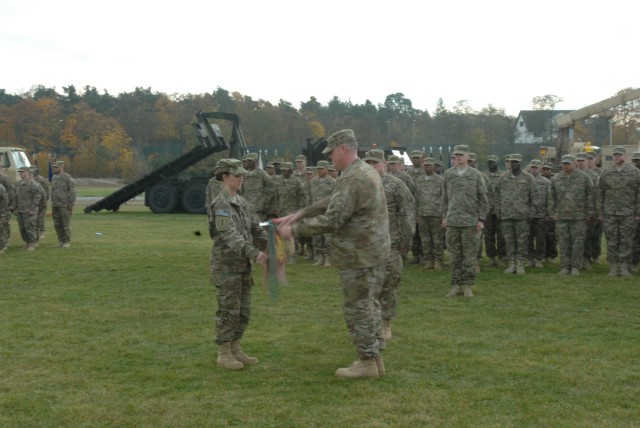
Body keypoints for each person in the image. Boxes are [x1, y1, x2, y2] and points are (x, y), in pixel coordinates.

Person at [274, 129, 390, 378]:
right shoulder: (363, 171)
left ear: (343, 150)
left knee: (358, 308)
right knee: (370, 305)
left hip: (359, 254)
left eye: (332, 153)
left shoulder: (353, 177)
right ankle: (375, 357)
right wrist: (302, 213)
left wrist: (292, 230)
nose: (329, 158)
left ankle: (367, 362)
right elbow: (335, 200)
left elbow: (333, 219)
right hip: (372, 252)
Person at [208, 159, 268, 370]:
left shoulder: (242, 203)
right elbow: (228, 235)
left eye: (242, 175)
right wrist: (254, 253)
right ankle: (224, 352)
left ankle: (236, 347)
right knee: (228, 310)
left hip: (242, 267)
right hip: (226, 268)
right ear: (225, 177)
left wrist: (271, 240)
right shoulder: (221, 204)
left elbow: (255, 228)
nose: (242, 178)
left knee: (243, 310)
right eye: (237, 175)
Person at [363, 149, 413, 343]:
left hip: (391, 244)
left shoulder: (396, 185)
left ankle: (386, 324)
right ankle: (371, 324)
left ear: (383, 163)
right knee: (368, 287)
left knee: (389, 285)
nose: (372, 167)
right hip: (367, 245)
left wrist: (406, 243)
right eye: (368, 163)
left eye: (375, 163)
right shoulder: (363, 184)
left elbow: (407, 215)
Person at [441, 145, 488, 298]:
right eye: (456, 155)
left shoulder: (475, 175)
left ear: (467, 156)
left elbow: (483, 198)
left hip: (470, 222)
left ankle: (467, 286)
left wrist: (481, 219)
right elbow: (444, 198)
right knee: (454, 256)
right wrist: (444, 216)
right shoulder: (448, 174)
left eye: (461, 155)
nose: (458, 158)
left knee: (469, 256)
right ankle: (456, 285)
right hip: (453, 221)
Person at [595, 147, 640, 276]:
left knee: (627, 240)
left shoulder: (635, 172)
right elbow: (599, 193)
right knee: (612, 240)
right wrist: (600, 212)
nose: (617, 157)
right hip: (610, 213)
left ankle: (625, 267)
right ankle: (613, 267)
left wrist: (638, 212)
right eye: (615, 155)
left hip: (628, 212)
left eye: (619, 155)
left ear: (625, 157)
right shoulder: (606, 172)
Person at [547, 155, 595, 275]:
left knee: (577, 243)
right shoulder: (556, 177)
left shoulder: (584, 177)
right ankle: (565, 266)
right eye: (564, 163)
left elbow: (590, 195)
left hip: (578, 216)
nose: (566, 165)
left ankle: (575, 267)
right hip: (561, 216)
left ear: (574, 163)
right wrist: (552, 213)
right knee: (563, 242)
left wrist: (589, 212)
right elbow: (551, 196)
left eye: (568, 163)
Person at [496, 154, 533, 275]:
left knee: (522, 241)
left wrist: (531, 213)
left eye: (516, 162)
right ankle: (511, 263)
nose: (514, 164)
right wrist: (498, 211)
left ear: (520, 163)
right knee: (509, 241)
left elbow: (534, 197)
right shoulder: (503, 178)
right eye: (512, 162)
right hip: (506, 215)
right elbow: (497, 196)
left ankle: (520, 263)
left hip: (522, 215)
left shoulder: (528, 178)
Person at [414, 157, 443, 270]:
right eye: (425, 165)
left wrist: (443, 214)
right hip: (422, 214)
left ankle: (437, 261)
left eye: (429, 165)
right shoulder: (419, 180)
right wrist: (416, 214)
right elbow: (416, 199)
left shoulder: (440, 180)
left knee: (437, 239)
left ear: (434, 167)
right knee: (425, 239)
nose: (427, 167)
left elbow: (444, 197)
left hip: (436, 214)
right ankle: (428, 260)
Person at [309, 160, 336, 266]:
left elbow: (336, 199)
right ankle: (319, 256)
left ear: (327, 169)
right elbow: (310, 197)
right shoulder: (313, 181)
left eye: (321, 168)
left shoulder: (333, 182)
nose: (319, 170)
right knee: (317, 235)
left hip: (327, 213)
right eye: (318, 168)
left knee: (328, 236)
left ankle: (328, 257)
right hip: (316, 213)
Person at [482, 155, 506, 266]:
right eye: (489, 162)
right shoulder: (482, 176)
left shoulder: (504, 176)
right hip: (487, 209)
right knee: (488, 235)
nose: (490, 164)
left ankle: (501, 257)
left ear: (497, 163)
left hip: (500, 209)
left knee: (501, 234)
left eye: (492, 162)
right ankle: (491, 257)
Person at [240, 153, 276, 220]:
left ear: (255, 161)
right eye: (247, 160)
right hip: (246, 207)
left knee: (259, 227)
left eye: (251, 160)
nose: (249, 162)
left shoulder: (262, 173)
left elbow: (271, 188)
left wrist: (266, 203)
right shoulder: (244, 174)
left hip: (259, 208)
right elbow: (241, 191)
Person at [527, 160, 550, 268]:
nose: (533, 169)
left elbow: (549, 199)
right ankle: (530, 258)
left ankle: (539, 259)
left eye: (536, 167)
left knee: (541, 238)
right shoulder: (526, 180)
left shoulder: (546, 182)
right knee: (528, 238)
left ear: (540, 169)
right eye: (532, 167)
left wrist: (548, 213)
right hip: (528, 214)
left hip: (541, 214)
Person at [14, 166, 41, 251]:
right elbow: (16, 197)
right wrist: (15, 208)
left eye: (23, 172)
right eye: (20, 172)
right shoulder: (18, 184)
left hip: (29, 210)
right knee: (22, 228)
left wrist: (33, 209)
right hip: (20, 210)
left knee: (30, 228)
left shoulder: (33, 184)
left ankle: (32, 243)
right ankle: (27, 242)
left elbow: (37, 197)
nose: (21, 173)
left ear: (28, 173)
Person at [50, 161, 76, 248]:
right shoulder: (54, 177)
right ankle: (61, 240)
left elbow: (72, 191)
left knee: (65, 224)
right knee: (57, 224)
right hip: (55, 205)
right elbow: (53, 191)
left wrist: (71, 203)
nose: (54, 169)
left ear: (61, 167)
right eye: (54, 167)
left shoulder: (67, 178)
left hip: (64, 205)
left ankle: (67, 241)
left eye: (56, 167)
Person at [32, 167, 50, 240]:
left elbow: (46, 192)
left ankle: (42, 232)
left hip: (42, 202)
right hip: (34, 202)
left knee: (41, 218)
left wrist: (44, 202)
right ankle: (35, 232)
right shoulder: (31, 179)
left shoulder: (41, 180)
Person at [0, 158, 14, 250]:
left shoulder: (5, 178)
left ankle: (4, 243)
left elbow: (10, 192)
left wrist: (10, 205)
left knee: (4, 225)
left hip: (4, 206)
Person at [0, 182, 8, 254]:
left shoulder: (1, 188)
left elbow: (5, 200)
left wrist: (3, 212)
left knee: (1, 230)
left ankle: (1, 247)